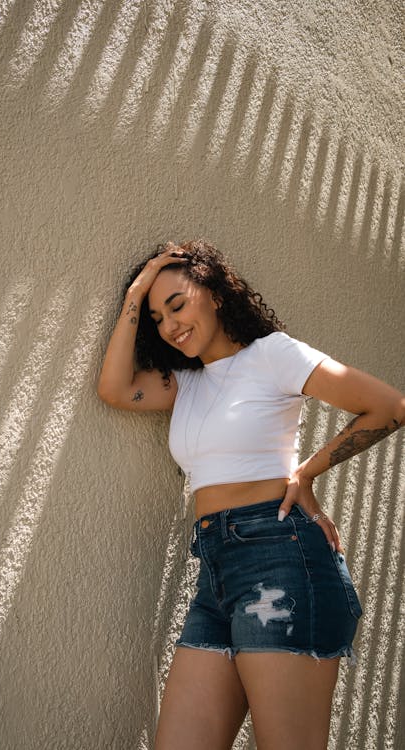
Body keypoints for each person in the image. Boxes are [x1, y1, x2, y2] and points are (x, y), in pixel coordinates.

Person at [97, 239, 404, 750]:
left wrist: (305, 473)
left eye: (178, 303)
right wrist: (135, 295)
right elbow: (113, 389)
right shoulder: (185, 382)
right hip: (216, 569)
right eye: (157, 317)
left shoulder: (273, 355)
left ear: (216, 294)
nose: (170, 325)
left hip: (281, 560)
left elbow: (388, 406)